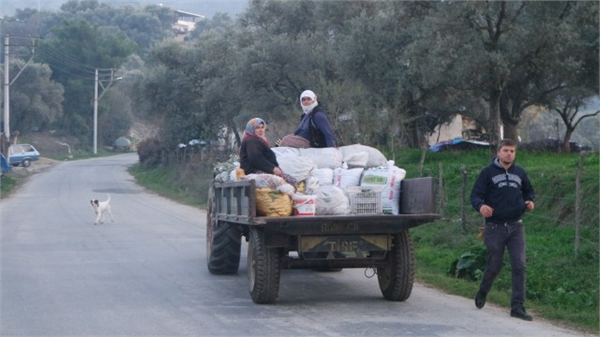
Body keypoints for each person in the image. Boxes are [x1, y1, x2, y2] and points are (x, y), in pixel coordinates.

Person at [470, 138, 535, 321]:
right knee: (494, 266)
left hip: (516, 226)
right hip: (494, 227)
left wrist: (530, 202)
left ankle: (517, 307)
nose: (509, 154)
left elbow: (529, 192)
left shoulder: (520, 173)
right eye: (506, 150)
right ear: (498, 152)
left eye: (512, 151)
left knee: (519, 265)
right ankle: (483, 291)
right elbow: (475, 195)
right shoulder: (487, 173)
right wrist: (481, 206)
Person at [239, 118, 295, 187]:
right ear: (252, 129)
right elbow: (256, 158)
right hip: (255, 171)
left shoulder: (259, 140)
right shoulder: (251, 141)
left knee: (290, 181)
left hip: (263, 169)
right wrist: (272, 168)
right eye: (257, 128)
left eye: (262, 127)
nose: (261, 130)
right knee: (288, 182)